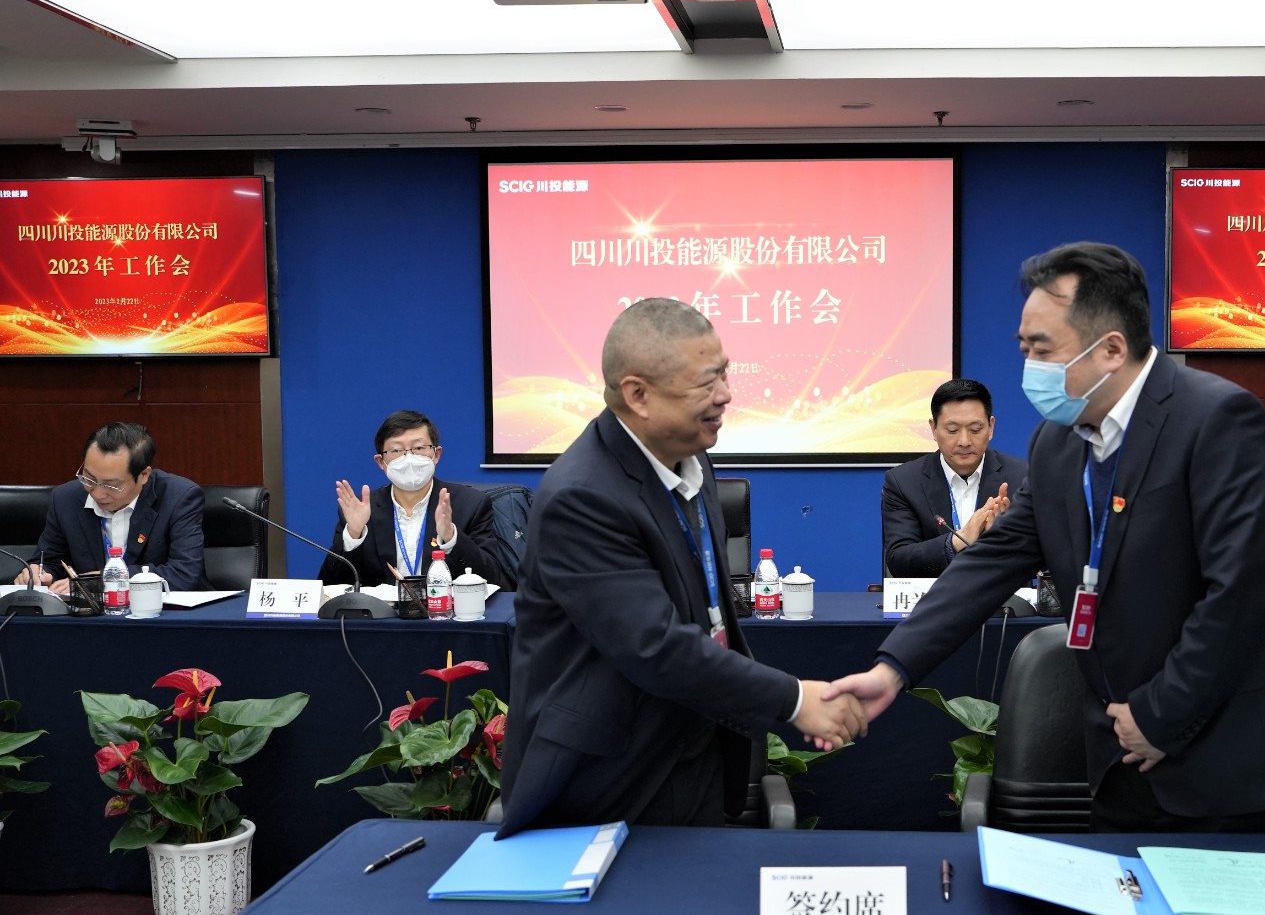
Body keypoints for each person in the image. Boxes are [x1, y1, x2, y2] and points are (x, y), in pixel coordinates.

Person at [826, 242, 1265, 833]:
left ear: (1111, 348)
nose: (1029, 367)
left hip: (1221, 759)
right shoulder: (1056, 443)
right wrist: (893, 668)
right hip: (1116, 757)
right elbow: (992, 560)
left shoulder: (1217, 419)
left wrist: (1158, 715)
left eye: (1042, 350)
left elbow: (1238, 596)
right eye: (1024, 349)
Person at [496, 298, 863, 836]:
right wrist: (794, 700)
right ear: (638, 395)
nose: (726, 394)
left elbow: (706, 615)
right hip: (608, 778)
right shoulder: (583, 496)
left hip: (693, 752)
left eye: (725, 373)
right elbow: (656, 647)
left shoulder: (691, 460)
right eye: (706, 382)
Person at [318, 410, 507, 588]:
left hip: (447, 610)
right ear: (381, 462)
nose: (408, 457)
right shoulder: (361, 510)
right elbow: (330, 585)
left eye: (419, 448)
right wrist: (353, 535)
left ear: (436, 454)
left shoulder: (470, 504)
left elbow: (491, 578)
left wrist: (451, 538)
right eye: (396, 450)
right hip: (382, 612)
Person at [15, 421, 207, 592]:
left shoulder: (178, 497)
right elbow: (50, 561)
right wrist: (38, 573)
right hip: (90, 615)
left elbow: (184, 574)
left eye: (111, 486)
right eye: (89, 479)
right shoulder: (65, 498)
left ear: (144, 475)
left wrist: (105, 581)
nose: (97, 493)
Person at [881, 378, 1027, 577]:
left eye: (975, 430)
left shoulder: (1022, 478)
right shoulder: (903, 482)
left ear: (991, 428)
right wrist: (958, 540)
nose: (964, 441)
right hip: (933, 595)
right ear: (933, 429)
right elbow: (899, 559)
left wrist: (1004, 538)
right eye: (952, 430)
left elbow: (1045, 554)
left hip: (1002, 594)